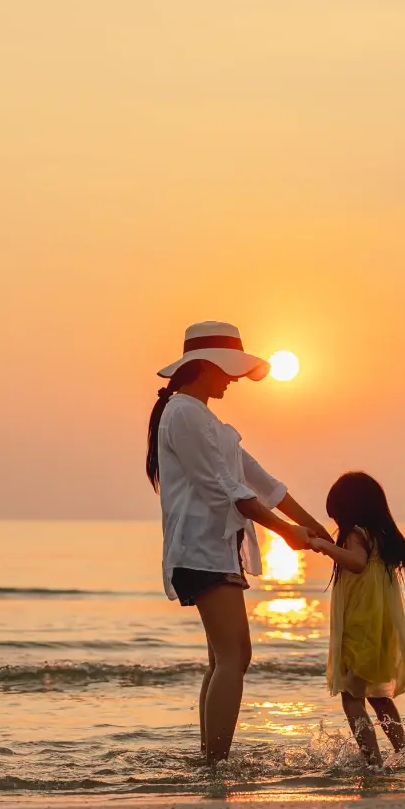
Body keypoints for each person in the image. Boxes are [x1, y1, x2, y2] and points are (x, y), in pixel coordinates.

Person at [147, 321, 331, 763]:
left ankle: (210, 759)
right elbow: (225, 489)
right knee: (235, 657)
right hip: (201, 550)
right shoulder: (185, 413)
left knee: (225, 659)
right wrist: (286, 533)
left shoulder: (206, 419)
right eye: (228, 369)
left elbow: (262, 482)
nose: (233, 379)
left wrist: (317, 527)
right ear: (205, 366)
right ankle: (215, 763)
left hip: (216, 548)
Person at [307, 472, 405, 766]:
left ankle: (372, 761)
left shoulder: (355, 535)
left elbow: (357, 564)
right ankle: (403, 754)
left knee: (351, 696)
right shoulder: (382, 537)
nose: (337, 525)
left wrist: (323, 547)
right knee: (380, 697)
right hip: (379, 628)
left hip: (359, 628)